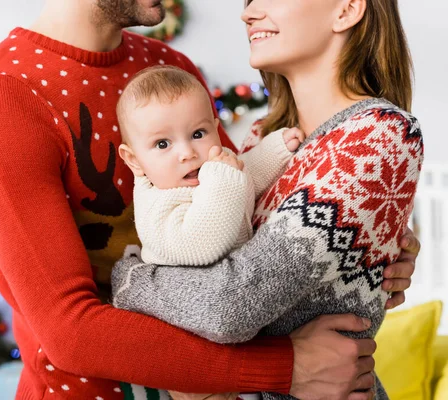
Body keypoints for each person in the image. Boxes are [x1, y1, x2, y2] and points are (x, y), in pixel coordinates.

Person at [0, 0, 420, 399]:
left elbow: (238, 206)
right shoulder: (1, 98)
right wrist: (287, 367)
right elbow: (69, 331)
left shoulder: (167, 68)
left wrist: (362, 248)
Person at [111, 0, 422, 399]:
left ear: (347, 9)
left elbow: (230, 305)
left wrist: (129, 278)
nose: (248, 12)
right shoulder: (264, 134)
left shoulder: (380, 134)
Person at [116, 65, 304, 266]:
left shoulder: (218, 168)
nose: (188, 153)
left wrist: (277, 147)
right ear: (134, 160)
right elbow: (199, 246)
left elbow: (247, 173)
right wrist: (223, 179)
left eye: (198, 134)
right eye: (162, 144)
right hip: (189, 291)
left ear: (215, 130)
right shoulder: (157, 208)